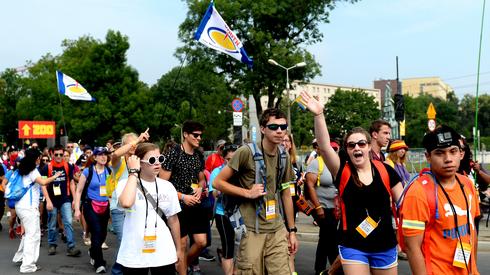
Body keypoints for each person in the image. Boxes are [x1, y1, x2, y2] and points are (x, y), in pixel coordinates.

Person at [300, 91, 403, 275]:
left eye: (361, 144)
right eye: (351, 145)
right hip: (353, 246)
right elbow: (324, 146)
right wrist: (319, 114)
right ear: (347, 150)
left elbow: (404, 205)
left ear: (369, 146)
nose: (357, 148)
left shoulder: (386, 171)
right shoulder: (342, 171)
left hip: (385, 245)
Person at [214, 108, 298, 275]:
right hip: (251, 230)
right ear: (262, 129)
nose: (280, 131)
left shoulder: (284, 155)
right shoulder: (246, 152)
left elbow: (286, 193)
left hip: (276, 229)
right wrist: (247, 193)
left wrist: (292, 231)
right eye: (274, 127)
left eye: (283, 127)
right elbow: (218, 182)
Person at [401, 125, 480, 275]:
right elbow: (412, 247)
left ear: (461, 154)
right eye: (440, 153)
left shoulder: (467, 184)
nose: (448, 159)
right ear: (428, 157)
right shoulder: (418, 192)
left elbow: (472, 231)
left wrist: (473, 271)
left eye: (453, 151)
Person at [116, 143, 182, 274]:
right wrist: (133, 172)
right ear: (139, 163)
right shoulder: (125, 184)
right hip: (134, 251)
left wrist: (178, 249)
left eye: (160, 159)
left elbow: (173, 220)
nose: (157, 163)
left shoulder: (167, 186)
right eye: (152, 160)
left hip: (163, 250)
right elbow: (126, 203)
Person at [159, 120, 208, 275]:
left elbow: (201, 179)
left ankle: (182, 263)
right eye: (196, 135)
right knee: (182, 243)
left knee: (201, 242)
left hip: (195, 203)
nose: (199, 138)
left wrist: (200, 188)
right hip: (176, 205)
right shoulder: (173, 153)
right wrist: (182, 197)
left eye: (200, 135)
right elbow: (162, 183)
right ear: (185, 135)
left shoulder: (199, 155)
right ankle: (181, 270)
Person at [5, 149, 61, 273]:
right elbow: (43, 182)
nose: (40, 160)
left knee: (28, 235)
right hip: (29, 208)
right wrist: (55, 176)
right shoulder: (33, 171)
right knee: (33, 236)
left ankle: (20, 257)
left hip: (20, 206)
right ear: (36, 158)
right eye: (39, 158)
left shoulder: (20, 170)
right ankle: (28, 265)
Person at [109, 131, 149, 275]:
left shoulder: (140, 162)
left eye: (137, 143)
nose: (135, 146)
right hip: (119, 207)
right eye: (131, 144)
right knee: (124, 242)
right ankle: (118, 271)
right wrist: (137, 139)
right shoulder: (118, 162)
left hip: (136, 206)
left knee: (135, 242)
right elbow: (115, 154)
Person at [74, 147, 112, 274]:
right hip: (90, 205)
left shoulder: (109, 171)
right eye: (100, 155)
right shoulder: (87, 171)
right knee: (96, 232)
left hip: (105, 205)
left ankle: (93, 251)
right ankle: (99, 263)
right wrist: (77, 210)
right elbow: (79, 191)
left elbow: (111, 191)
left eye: (105, 155)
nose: (103, 157)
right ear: (94, 157)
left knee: (102, 235)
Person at [304, 140, 340, 275]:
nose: (334, 151)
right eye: (332, 149)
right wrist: (318, 207)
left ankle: (321, 269)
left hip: (335, 209)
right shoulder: (316, 163)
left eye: (336, 149)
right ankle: (330, 269)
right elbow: (310, 185)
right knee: (330, 237)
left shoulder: (337, 164)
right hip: (322, 207)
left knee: (326, 238)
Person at [41, 145, 81, 257]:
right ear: (52, 154)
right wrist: (48, 201)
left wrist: (74, 199)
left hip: (65, 198)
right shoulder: (46, 168)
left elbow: (72, 183)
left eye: (61, 154)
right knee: (52, 223)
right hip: (52, 199)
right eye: (56, 154)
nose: (59, 156)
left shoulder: (68, 166)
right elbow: (43, 185)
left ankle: (71, 247)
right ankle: (52, 244)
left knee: (68, 222)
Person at [208, 143, 238, 275]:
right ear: (223, 159)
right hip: (222, 213)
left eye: (234, 159)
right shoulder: (217, 172)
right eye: (228, 160)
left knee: (243, 248)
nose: (231, 162)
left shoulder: (242, 171)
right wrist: (224, 187)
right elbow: (213, 193)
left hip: (240, 213)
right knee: (228, 247)